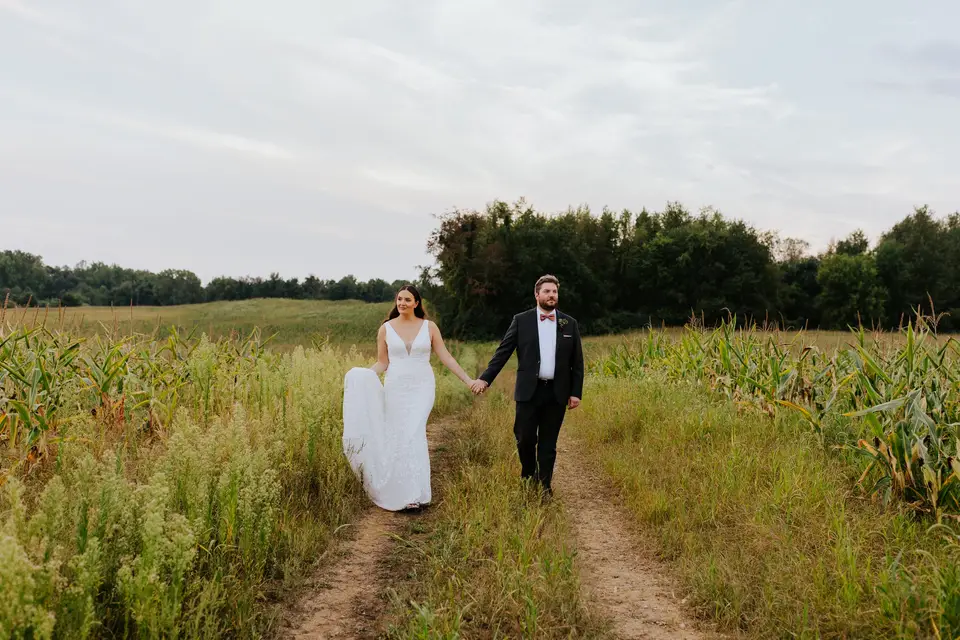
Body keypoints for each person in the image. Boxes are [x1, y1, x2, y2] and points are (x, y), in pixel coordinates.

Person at [342, 284, 479, 511]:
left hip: (422, 387)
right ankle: (404, 492)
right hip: (395, 387)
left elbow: (445, 356)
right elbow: (383, 362)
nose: (402, 303)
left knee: (414, 432)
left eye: (407, 299)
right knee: (399, 435)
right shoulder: (386, 329)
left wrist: (468, 380)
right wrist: (364, 375)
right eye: (399, 299)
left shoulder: (429, 327)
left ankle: (416, 493)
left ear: (416, 303)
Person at [471, 274, 584, 497]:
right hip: (528, 392)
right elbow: (503, 352)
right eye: (547, 291)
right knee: (524, 438)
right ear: (537, 294)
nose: (552, 295)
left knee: (548, 443)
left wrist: (575, 393)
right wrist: (485, 378)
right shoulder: (521, 321)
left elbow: (577, 362)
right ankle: (528, 476)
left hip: (556, 392)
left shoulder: (568, 323)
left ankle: (544, 486)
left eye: (554, 292)